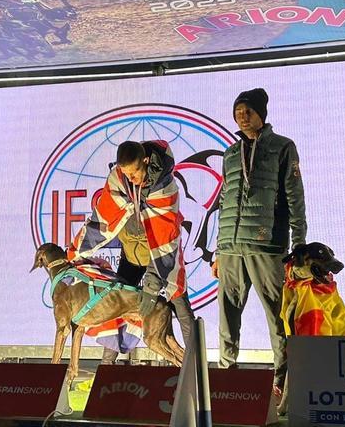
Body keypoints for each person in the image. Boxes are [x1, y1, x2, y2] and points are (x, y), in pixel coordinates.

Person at [211, 88, 306, 405]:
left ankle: (282, 381)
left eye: (247, 110)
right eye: (237, 111)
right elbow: (224, 202)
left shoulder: (282, 148)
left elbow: (295, 197)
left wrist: (299, 245)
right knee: (226, 316)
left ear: (261, 113)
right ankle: (226, 377)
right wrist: (217, 249)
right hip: (231, 248)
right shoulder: (229, 153)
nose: (241, 115)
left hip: (267, 246)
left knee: (278, 318)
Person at [69, 140, 196, 361]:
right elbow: (101, 220)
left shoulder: (165, 187)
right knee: (115, 305)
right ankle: (106, 370)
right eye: (126, 173)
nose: (131, 178)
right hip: (131, 255)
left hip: (161, 256)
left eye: (135, 172)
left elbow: (165, 242)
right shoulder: (119, 179)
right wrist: (74, 252)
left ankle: (197, 367)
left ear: (145, 161)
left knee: (180, 306)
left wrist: (152, 285)